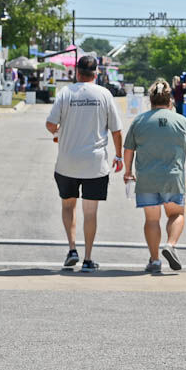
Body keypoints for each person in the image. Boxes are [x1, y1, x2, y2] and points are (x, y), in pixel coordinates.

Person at [45, 54, 123, 272]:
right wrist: (118, 155)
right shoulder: (105, 94)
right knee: (90, 212)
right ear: (96, 74)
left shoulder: (65, 93)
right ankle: (88, 258)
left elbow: (50, 124)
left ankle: (72, 249)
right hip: (95, 164)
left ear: (77, 73)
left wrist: (61, 132)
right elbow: (116, 130)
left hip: (67, 162)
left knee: (68, 206)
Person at [122, 78, 186, 273]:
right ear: (170, 100)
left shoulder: (139, 121)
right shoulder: (182, 121)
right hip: (172, 178)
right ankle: (170, 245)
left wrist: (128, 171)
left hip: (146, 179)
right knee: (176, 214)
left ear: (150, 100)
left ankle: (155, 260)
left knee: (151, 220)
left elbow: (128, 150)